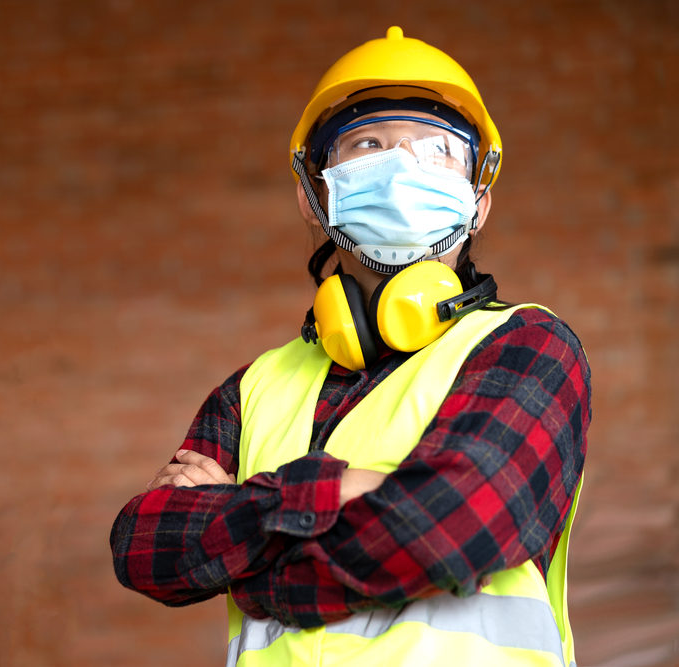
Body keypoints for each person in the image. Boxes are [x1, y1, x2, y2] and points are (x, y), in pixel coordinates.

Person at [110, 26, 590, 667]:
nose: (400, 170)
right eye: (367, 145)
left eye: (437, 151)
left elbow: (457, 523)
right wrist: (342, 492)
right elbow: (145, 546)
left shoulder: (528, 346)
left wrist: (251, 549)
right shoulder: (255, 388)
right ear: (314, 195)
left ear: (480, 202)